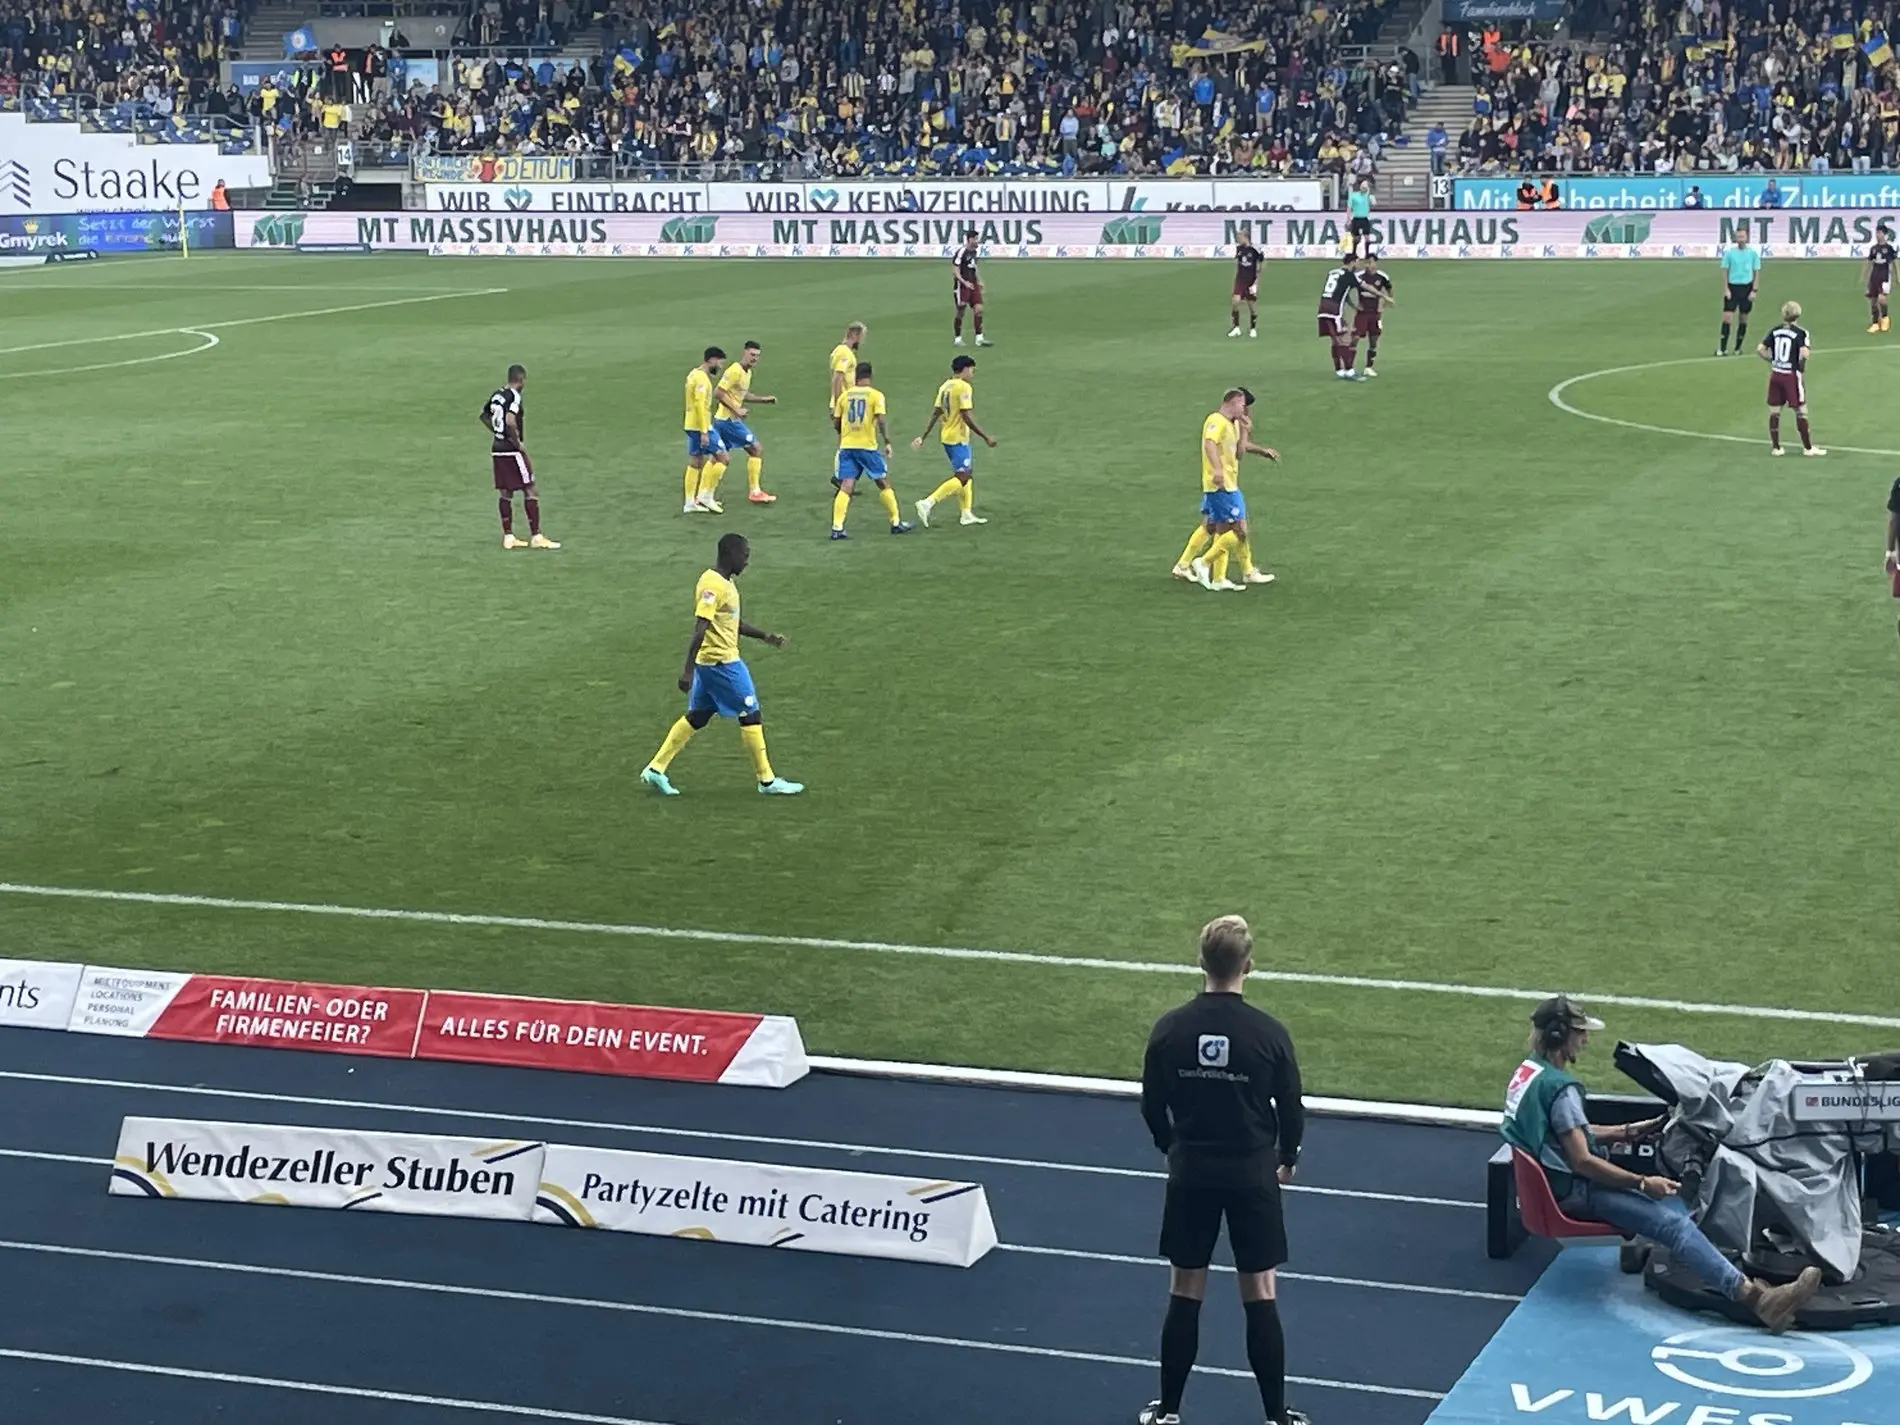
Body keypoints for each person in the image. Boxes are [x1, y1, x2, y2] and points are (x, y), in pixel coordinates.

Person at [1501, 996, 1820, 1334]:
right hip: (1574, 1190)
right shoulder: (1560, 1089)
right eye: (1580, 1032)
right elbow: (1582, 1160)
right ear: (1558, 1035)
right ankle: (1758, 1300)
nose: (1586, 1039)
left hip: (1553, 1183)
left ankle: (1636, 1248)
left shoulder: (1531, 1073)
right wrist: (1641, 1183)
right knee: (1675, 1225)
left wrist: (1626, 1131)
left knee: (1659, 1213)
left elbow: (1564, 1133)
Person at [1139, 914, 1308, 1425]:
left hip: (1192, 1172)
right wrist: (1287, 1157)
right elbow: (1292, 1108)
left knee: (1185, 1288)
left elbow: (1152, 1104)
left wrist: (1172, 1146)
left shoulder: (1171, 1028)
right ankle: (1276, 1417)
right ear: (1248, 966)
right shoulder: (1268, 1033)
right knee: (1259, 1291)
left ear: (1201, 963)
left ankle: (1167, 1412)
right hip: (1251, 1175)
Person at [641, 534, 803, 797]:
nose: (747, 562)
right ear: (730, 555)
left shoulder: (721, 582)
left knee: (698, 716)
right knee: (750, 712)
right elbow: (700, 627)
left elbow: (729, 622)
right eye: (745, 556)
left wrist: (764, 636)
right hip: (721, 663)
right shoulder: (713, 586)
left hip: (711, 663)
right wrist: (687, 670)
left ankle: (655, 768)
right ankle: (767, 780)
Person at [1180, 388, 1277, 592]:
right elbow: (1209, 444)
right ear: (1234, 401)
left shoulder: (1232, 424)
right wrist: (1217, 469)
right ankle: (1204, 563)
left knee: (1217, 527)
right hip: (1221, 485)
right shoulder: (1216, 420)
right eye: (1243, 406)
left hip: (1227, 484)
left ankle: (1218, 577)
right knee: (1239, 529)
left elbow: (1239, 452)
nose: (1246, 410)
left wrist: (1248, 434)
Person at [830, 361, 912, 539]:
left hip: (847, 446)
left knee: (846, 486)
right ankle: (896, 523)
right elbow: (881, 420)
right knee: (883, 482)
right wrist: (887, 441)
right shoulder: (875, 395)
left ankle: (837, 527)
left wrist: (845, 434)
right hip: (866, 446)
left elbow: (836, 422)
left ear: (856, 377)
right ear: (870, 376)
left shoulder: (844, 397)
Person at [912, 354, 996, 528]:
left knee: (966, 474)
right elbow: (966, 415)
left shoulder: (945, 386)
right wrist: (985, 436)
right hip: (958, 438)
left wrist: (924, 436)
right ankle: (928, 503)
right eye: (972, 369)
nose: (972, 373)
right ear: (965, 369)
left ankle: (966, 513)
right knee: (963, 476)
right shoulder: (963, 387)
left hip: (947, 436)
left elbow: (936, 412)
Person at [480, 364, 557, 550]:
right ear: (521, 379)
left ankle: (508, 537)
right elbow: (510, 420)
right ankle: (536, 536)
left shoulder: (497, 394)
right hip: (511, 450)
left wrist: (498, 433)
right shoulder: (514, 396)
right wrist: (516, 442)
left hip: (497, 448)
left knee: (505, 492)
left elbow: (484, 416)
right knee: (530, 488)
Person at [714, 341, 779, 505]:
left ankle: (703, 494)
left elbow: (742, 394)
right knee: (756, 448)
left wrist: (763, 399)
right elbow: (719, 392)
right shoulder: (735, 370)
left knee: (717, 458)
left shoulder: (746, 372)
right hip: (729, 420)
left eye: (757, 356)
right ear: (744, 353)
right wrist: (737, 410)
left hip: (723, 420)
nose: (754, 359)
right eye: (752, 355)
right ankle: (755, 492)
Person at [1758, 301, 1825, 457]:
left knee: (1774, 411)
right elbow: (1804, 353)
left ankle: (1776, 447)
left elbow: (1760, 349)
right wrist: (1802, 364)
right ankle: (1808, 448)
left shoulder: (1775, 331)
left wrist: (1772, 360)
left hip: (1776, 373)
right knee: (1801, 410)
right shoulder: (1801, 333)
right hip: (1791, 375)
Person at [682, 346, 728, 513]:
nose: (720, 367)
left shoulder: (693, 374)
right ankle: (706, 496)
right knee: (723, 457)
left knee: (696, 461)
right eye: (720, 363)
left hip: (690, 424)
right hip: (700, 426)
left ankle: (689, 503)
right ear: (711, 360)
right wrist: (704, 431)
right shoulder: (701, 379)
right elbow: (700, 405)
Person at [1318, 257, 1365, 381]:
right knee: (1344, 340)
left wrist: (1354, 307)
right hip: (1334, 311)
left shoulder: (1333, 272)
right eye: (1357, 262)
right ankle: (1349, 371)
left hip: (1323, 309)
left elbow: (1342, 292)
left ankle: (1339, 370)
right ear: (1352, 262)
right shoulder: (1349, 275)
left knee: (1335, 341)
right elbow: (1364, 286)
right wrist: (1382, 295)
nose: (1359, 265)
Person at [1716, 233, 1760, 357]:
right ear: (1735, 239)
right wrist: (1726, 289)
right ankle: (1722, 348)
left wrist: (1754, 290)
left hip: (1746, 288)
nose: (1740, 239)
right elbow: (1725, 271)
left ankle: (1738, 348)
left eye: (1743, 237)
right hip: (1732, 287)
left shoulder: (1752, 254)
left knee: (1743, 319)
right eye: (1738, 237)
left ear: (1747, 238)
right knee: (1727, 318)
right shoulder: (1730, 253)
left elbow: (1756, 272)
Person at [1353, 255, 1395, 378]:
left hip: (1375, 314)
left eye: (1370, 262)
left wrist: (1384, 306)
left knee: (1373, 340)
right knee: (1355, 338)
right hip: (1362, 313)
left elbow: (1389, 291)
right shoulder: (1359, 276)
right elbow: (1347, 288)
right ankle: (1350, 366)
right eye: (1366, 262)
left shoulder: (1382, 277)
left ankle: (1369, 367)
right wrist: (1355, 305)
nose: (1368, 265)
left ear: (1375, 263)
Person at [953, 233, 990, 347]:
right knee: (961, 311)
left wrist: (979, 280)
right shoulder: (961, 252)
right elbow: (955, 269)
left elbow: (974, 267)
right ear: (970, 239)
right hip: (962, 285)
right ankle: (958, 339)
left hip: (973, 284)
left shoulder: (973, 252)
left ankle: (979, 338)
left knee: (979, 309)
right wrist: (964, 282)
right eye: (976, 239)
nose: (978, 241)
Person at [1229, 233, 1264, 339]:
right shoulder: (1239, 249)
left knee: (1252, 307)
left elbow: (1260, 265)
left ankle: (1253, 328)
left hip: (1251, 281)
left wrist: (1256, 283)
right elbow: (1238, 264)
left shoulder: (1255, 250)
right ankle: (1236, 327)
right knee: (1235, 302)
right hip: (1240, 280)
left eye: (1239, 238)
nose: (1238, 240)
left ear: (1246, 238)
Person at [1864, 222, 1895, 334]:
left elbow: (1894, 262)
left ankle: (1885, 318)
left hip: (1885, 276)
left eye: (1880, 233)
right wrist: (1864, 275)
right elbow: (1869, 261)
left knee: (1882, 299)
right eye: (1877, 233)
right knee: (1873, 302)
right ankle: (1875, 323)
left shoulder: (1889, 248)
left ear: (1885, 234)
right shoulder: (1873, 249)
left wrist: (1898, 276)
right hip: (1874, 276)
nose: (1878, 235)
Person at [829, 321, 867, 408]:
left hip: (848, 402)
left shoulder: (845, 351)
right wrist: (838, 403)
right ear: (854, 335)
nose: (862, 340)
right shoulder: (844, 352)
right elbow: (837, 378)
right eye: (861, 336)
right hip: (844, 403)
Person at [1346, 178, 1374, 257]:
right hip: (1356, 218)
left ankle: (1367, 254)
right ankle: (1354, 253)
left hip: (1364, 218)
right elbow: (1349, 208)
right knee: (1356, 238)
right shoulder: (1354, 195)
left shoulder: (1368, 196)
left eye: (1365, 187)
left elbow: (1373, 203)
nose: (1364, 188)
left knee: (1367, 237)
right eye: (1362, 186)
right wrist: (1348, 219)